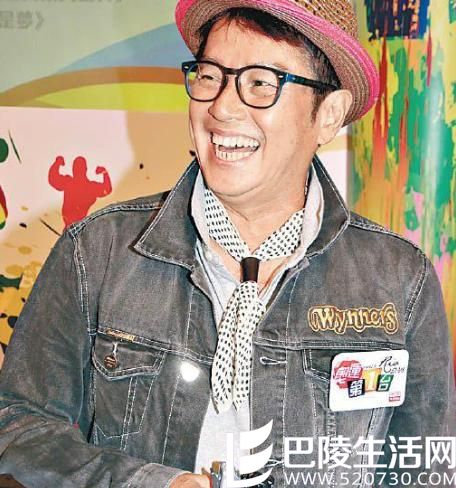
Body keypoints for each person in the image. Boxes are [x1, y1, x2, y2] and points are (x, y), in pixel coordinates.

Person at [0, 1, 454, 487]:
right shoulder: (98, 252)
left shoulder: (398, 278)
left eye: (260, 83)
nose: (221, 107)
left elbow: (426, 468)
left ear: (329, 115)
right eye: (210, 76)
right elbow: (18, 425)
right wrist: (149, 482)